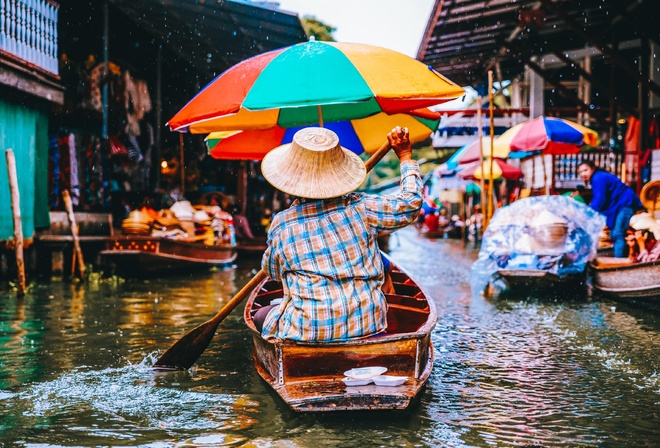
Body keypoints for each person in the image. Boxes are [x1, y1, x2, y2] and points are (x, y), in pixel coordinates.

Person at [253, 126, 422, 342]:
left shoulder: (281, 224)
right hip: (367, 324)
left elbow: (273, 273)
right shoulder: (361, 207)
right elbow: (410, 204)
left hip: (308, 331)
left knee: (260, 316)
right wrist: (405, 156)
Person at [577, 161, 643, 258]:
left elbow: (600, 200)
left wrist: (587, 213)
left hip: (626, 203)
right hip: (621, 204)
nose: (583, 174)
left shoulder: (598, 178)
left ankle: (619, 262)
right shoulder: (598, 177)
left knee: (617, 233)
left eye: (585, 170)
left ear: (593, 168)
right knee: (614, 233)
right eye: (581, 172)